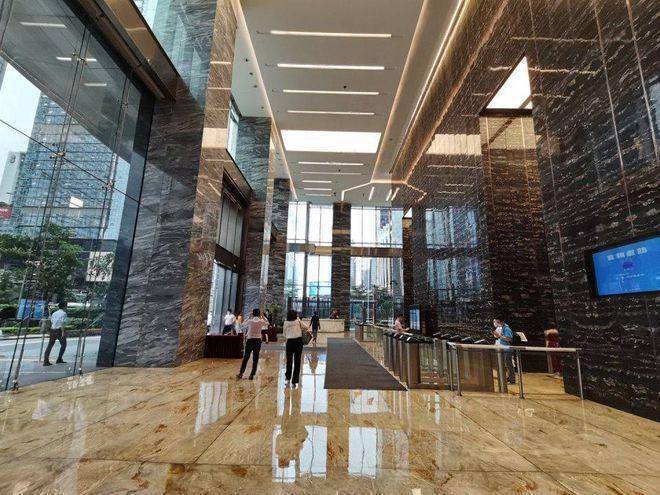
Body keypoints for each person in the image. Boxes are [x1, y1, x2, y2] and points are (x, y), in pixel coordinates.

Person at [236, 308, 269, 380]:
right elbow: (267, 323)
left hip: (250, 340)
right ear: (259, 314)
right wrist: (263, 316)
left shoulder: (250, 321)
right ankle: (252, 374)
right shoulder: (261, 321)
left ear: (253, 314)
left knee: (246, 357)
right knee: (255, 358)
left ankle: (241, 373)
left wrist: (248, 317)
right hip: (258, 341)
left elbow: (242, 324)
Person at [283, 309, 309, 389]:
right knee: (297, 362)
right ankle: (294, 381)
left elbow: (284, 334)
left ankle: (288, 378)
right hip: (298, 342)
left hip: (289, 342)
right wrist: (299, 320)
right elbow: (306, 327)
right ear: (295, 315)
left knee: (289, 361)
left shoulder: (286, 322)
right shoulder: (298, 321)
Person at [492, 317, 516, 384]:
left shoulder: (507, 329)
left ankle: (512, 379)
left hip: (507, 349)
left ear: (502, 322)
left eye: (498, 322)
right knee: (505, 364)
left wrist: (499, 336)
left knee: (509, 364)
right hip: (503, 348)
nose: (497, 323)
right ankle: (508, 378)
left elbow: (509, 339)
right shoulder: (502, 328)